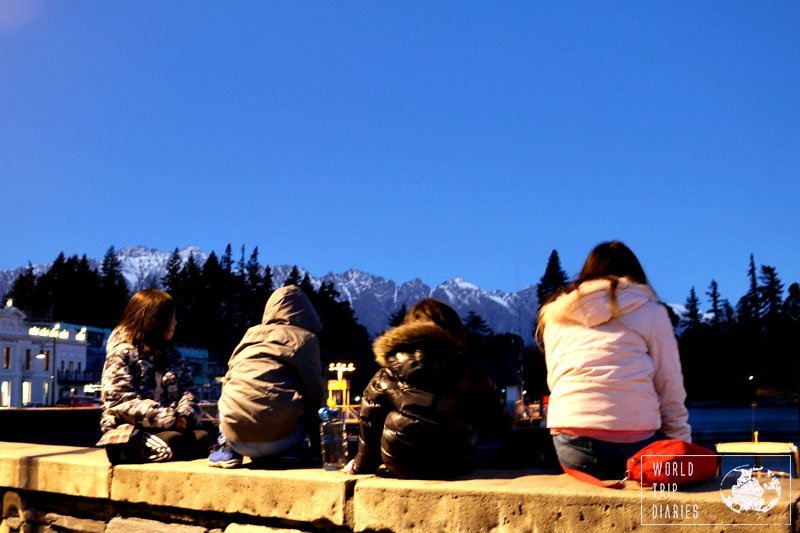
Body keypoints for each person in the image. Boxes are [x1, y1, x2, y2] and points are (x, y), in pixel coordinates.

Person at [536, 241, 691, 480]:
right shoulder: (651, 311)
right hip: (637, 444)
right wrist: (680, 443)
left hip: (571, 443)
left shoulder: (557, 313)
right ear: (635, 274)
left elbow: (555, 378)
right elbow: (669, 382)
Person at [347, 299, 499, 479]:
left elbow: (370, 421)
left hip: (400, 463)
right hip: (455, 462)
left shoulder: (387, 372)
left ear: (405, 331)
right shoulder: (471, 372)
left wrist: (361, 464)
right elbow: (493, 417)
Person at [209, 285, 325, 468]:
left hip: (236, 438)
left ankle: (227, 451)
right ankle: (290, 453)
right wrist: (320, 446)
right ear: (307, 313)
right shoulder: (306, 339)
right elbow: (315, 394)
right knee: (302, 395)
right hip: (282, 440)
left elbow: (229, 379)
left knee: (234, 389)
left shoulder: (249, 336)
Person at [98, 289, 208, 465]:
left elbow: (189, 392)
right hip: (129, 432)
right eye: (170, 318)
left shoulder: (174, 356)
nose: (175, 323)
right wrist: (169, 418)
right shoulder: (122, 353)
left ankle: (169, 442)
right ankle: (157, 445)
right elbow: (119, 401)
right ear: (153, 321)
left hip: (169, 427)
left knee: (206, 437)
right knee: (175, 442)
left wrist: (185, 416)